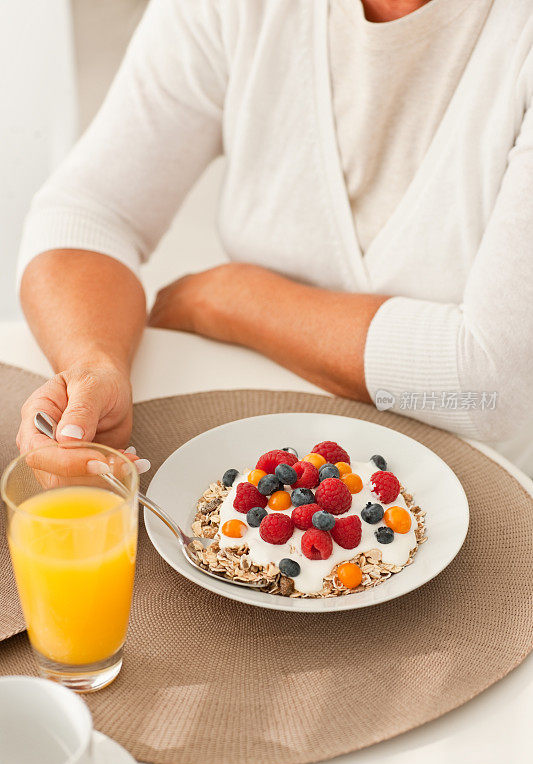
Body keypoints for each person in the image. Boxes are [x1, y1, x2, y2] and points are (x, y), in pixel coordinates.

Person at [16, 0, 533, 472]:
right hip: (270, 455)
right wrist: (93, 363)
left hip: (493, 481)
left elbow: (492, 385)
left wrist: (232, 298)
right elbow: (87, 213)